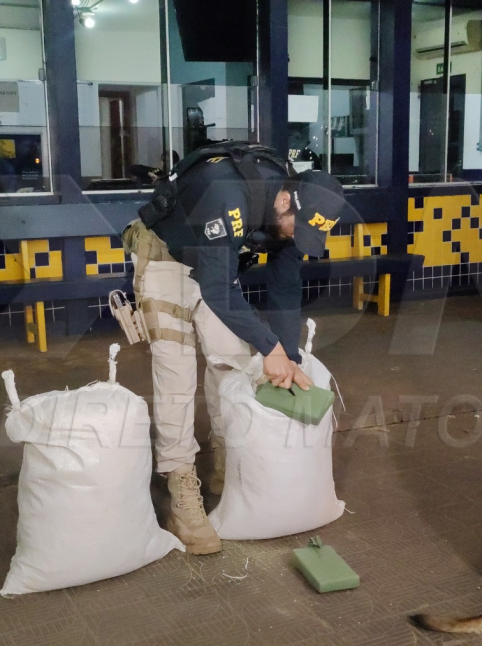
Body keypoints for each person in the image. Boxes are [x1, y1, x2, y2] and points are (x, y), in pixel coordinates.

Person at [124, 142, 346, 555]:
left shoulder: (292, 214)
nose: (299, 239)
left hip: (216, 265)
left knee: (235, 364)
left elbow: (284, 286)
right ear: (284, 201)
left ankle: (228, 467)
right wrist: (270, 348)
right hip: (164, 261)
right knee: (176, 375)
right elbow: (217, 290)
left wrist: (288, 355)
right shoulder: (227, 192)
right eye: (298, 230)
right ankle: (181, 492)